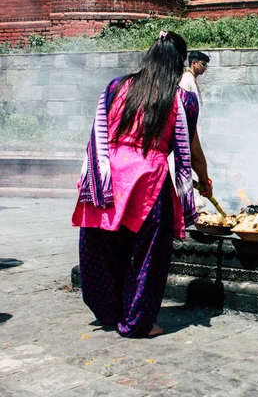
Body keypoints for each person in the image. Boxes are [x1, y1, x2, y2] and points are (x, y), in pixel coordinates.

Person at [71, 31, 213, 338]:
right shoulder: (182, 100)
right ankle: (137, 322)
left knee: (103, 247)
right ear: (179, 64)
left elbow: (100, 129)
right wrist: (203, 180)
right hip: (150, 179)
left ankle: (110, 311)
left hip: (106, 177)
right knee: (150, 255)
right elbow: (188, 148)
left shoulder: (116, 86)